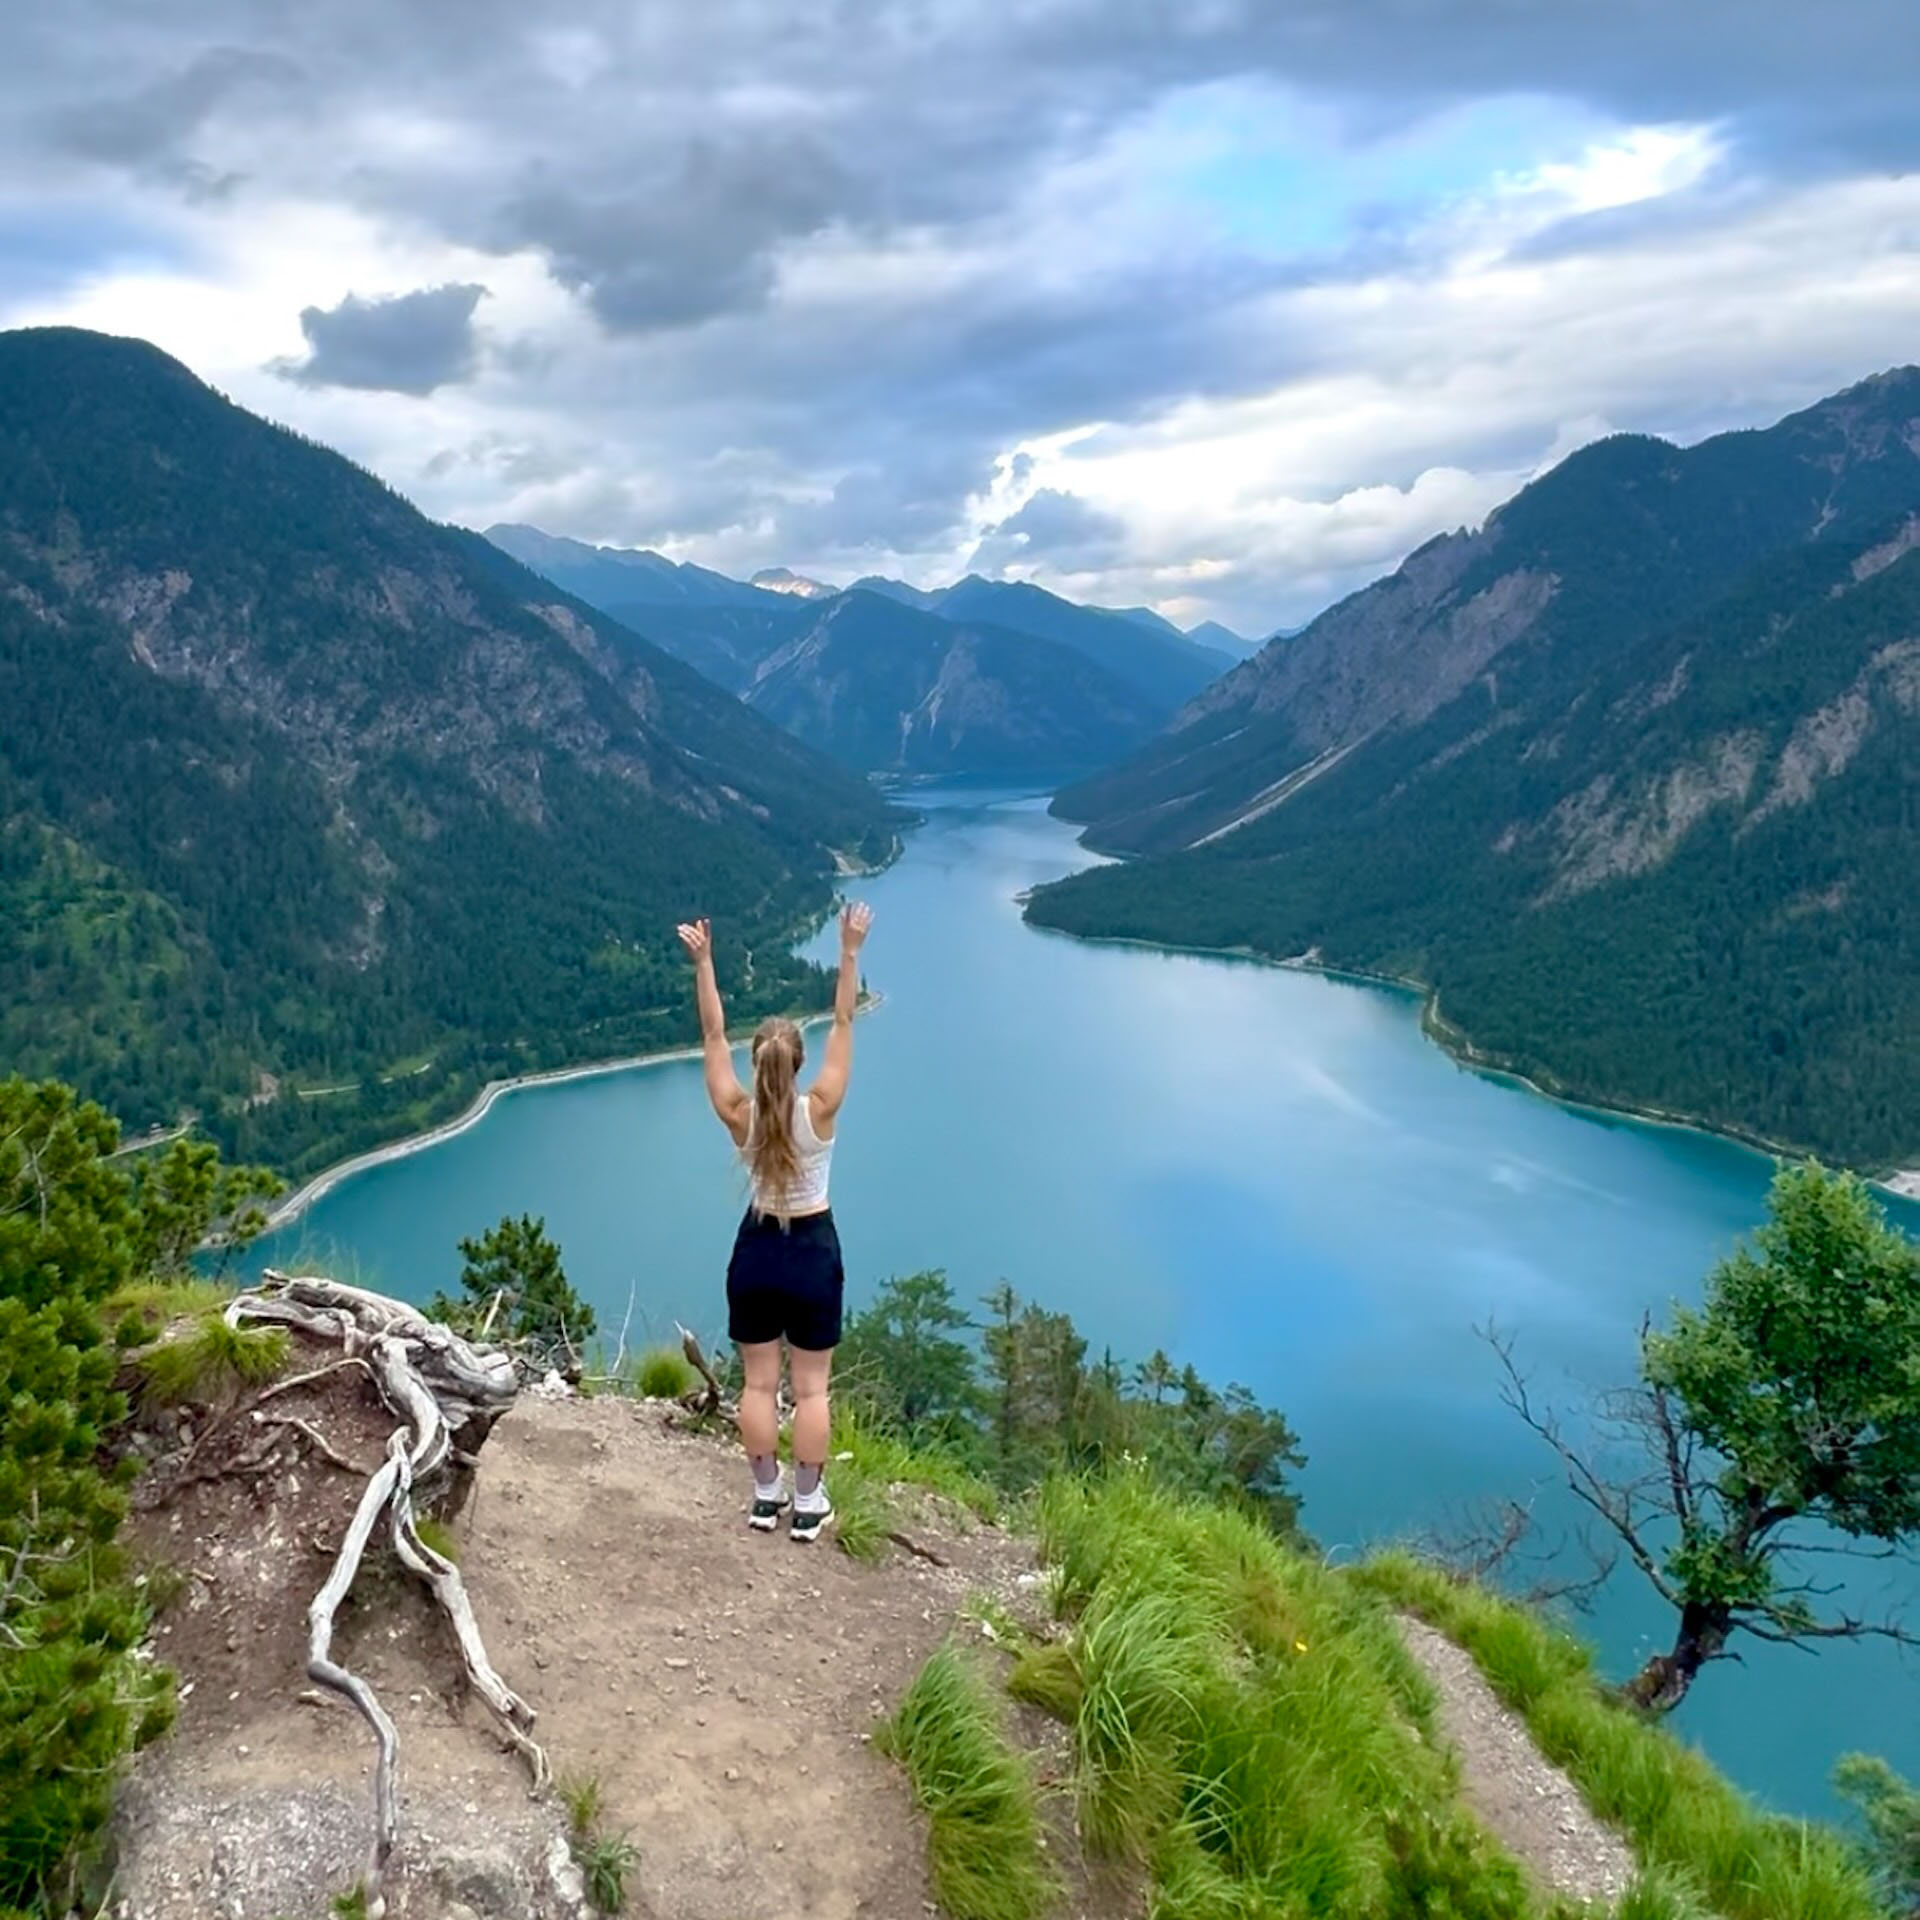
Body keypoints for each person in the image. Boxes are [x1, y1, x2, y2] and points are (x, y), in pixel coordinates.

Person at [675, 902, 873, 1542]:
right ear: (796, 1065)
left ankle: (766, 1496)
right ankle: (809, 1505)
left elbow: (711, 1037)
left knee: (759, 1384)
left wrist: (704, 964)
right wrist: (848, 950)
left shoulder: (739, 1113)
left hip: (756, 1250)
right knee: (810, 1391)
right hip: (813, 1250)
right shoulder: (820, 1111)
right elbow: (844, 1017)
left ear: (759, 1065)